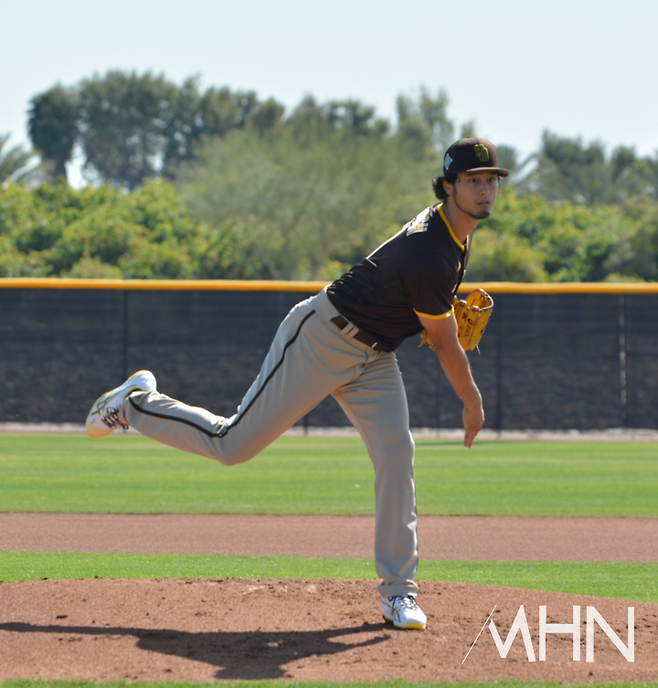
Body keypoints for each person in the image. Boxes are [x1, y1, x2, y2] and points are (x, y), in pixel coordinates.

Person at [86, 137, 509, 631]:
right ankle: (135, 403)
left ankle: (399, 592)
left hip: (374, 357)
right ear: (449, 186)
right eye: (473, 181)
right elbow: (444, 341)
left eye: (491, 180)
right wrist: (472, 400)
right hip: (322, 338)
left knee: (397, 453)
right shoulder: (431, 253)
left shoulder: (453, 233)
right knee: (232, 445)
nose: (485, 190)